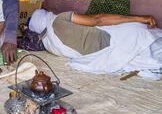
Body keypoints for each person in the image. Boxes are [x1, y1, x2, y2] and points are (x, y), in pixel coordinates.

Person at [28, 9, 162, 80]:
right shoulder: (59, 19)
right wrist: (139, 18)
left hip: (105, 55)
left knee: (153, 53)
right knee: (146, 35)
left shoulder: (50, 45)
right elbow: (98, 19)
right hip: (116, 37)